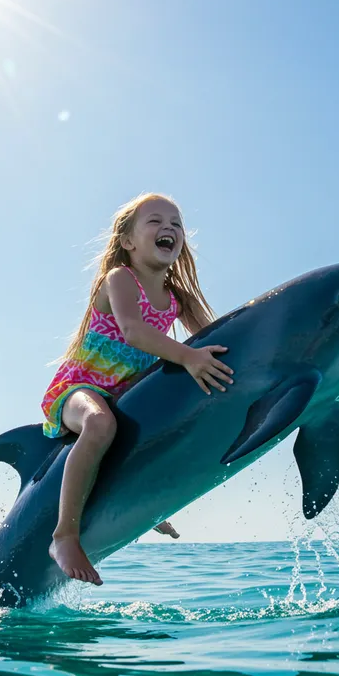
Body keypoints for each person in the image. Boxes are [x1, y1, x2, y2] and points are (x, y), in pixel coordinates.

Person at [41, 192, 234, 585]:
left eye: (176, 224)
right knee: (99, 424)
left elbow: (218, 336)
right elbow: (133, 331)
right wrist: (187, 357)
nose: (169, 228)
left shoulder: (178, 298)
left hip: (125, 396)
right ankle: (64, 535)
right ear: (128, 240)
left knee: (155, 435)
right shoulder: (120, 279)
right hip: (80, 388)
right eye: (155, 221)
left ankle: (145, 507)